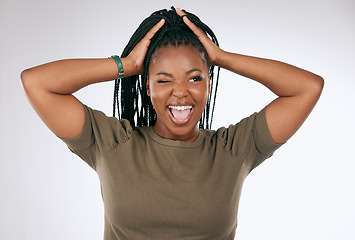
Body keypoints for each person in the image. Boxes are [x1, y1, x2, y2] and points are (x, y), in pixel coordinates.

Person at [21, 7, 324, 240]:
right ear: (147, 87)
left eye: (195, 77)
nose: (181, 92)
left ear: (208, 83)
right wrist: (126, 65)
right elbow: (37, 83)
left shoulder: (233, 149)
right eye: (164, 80)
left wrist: (220, 57)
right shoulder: (111, 144)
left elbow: (306, 88)